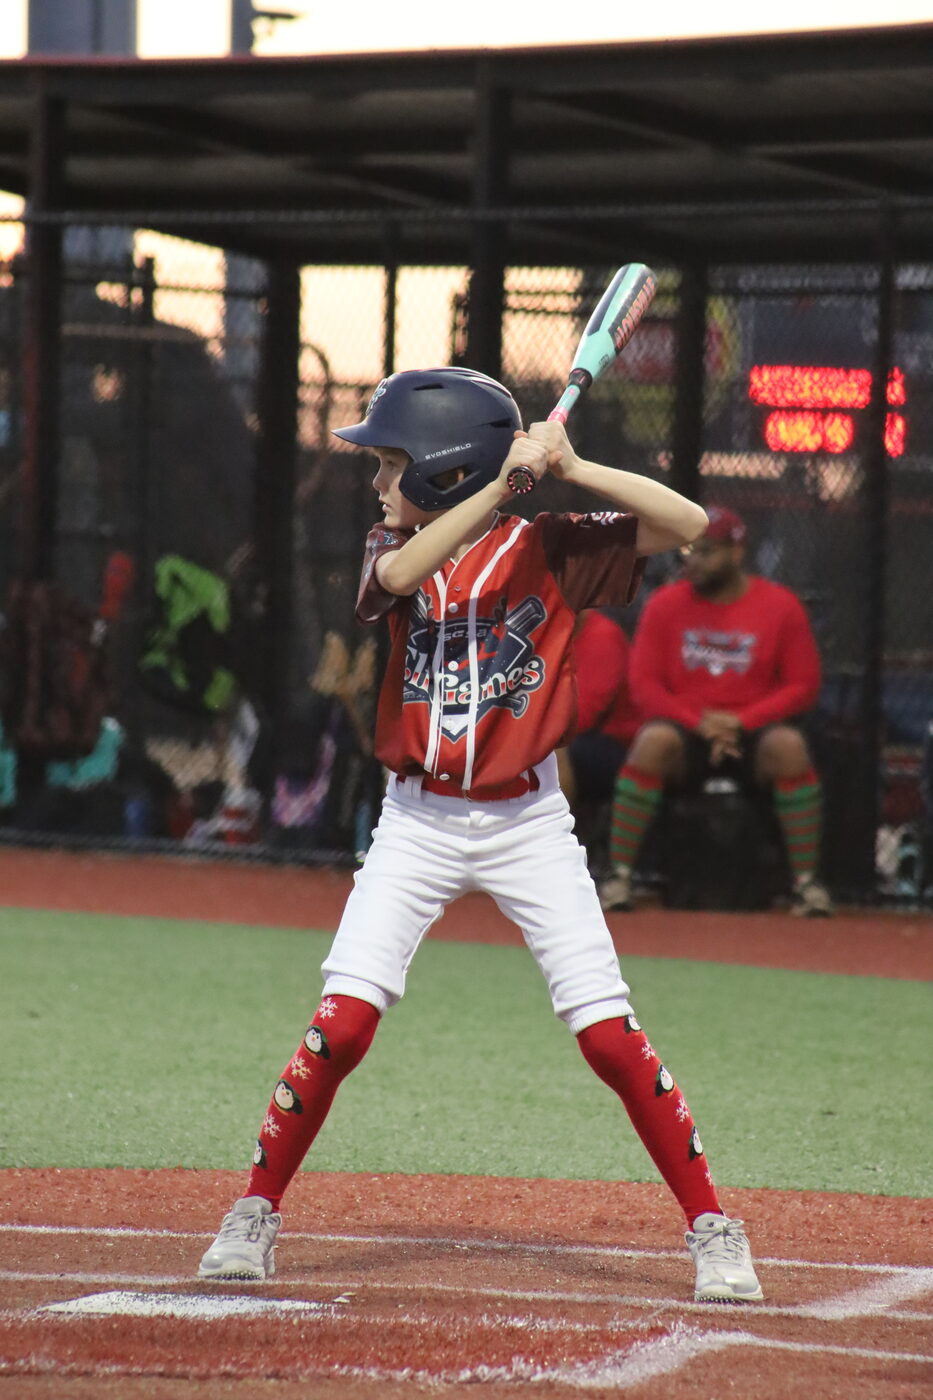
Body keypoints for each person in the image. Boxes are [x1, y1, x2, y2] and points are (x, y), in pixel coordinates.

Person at [197, 368, 764, 1304]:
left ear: (445, 469)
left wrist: (573, 465)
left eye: (391, 463)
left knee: (608, 1037)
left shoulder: (552, 550)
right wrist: (505, 485)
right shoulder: (394, 544)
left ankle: (714, 1227)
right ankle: (253, 1212)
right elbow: (399, 579)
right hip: (416, 821)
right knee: (340, 1027)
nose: (378, 483)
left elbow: (687, 525)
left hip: (528, 820)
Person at [599, 504, 833, 918]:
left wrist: (741, 722)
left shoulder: (780, 606)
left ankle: (806, 885)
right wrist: (700, 723)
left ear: (737, 553)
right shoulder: (664, 604)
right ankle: (619, 878)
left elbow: (803, 685)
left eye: (707, 551)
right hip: (688, 729)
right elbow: (644, 686)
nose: (694, 562)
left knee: (789, 747)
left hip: (752, 731)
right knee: (652, 742)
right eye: (688, 552)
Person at [556, 609, 640, 848]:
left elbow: (583, 716)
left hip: (616, 746)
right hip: (571, 737)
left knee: (552, 751)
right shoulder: (538, 634)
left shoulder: (603, 636)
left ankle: (555, 842)